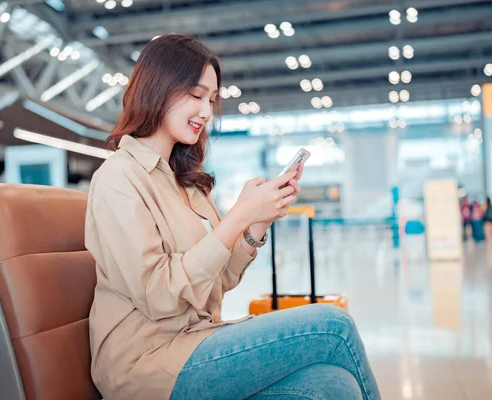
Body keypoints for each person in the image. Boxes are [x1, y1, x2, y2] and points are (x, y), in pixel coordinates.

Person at [84, 34, 380, 400]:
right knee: (334, 326)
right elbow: (159, 296)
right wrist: (237, 216)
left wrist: (256, 223)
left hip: (198, 343)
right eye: (196, 95)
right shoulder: (118, 179)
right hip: (147, 365)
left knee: (335, 387)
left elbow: (217, 281)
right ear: (157, 88)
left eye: (211, 99)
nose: (207, 111)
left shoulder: (188, 183)